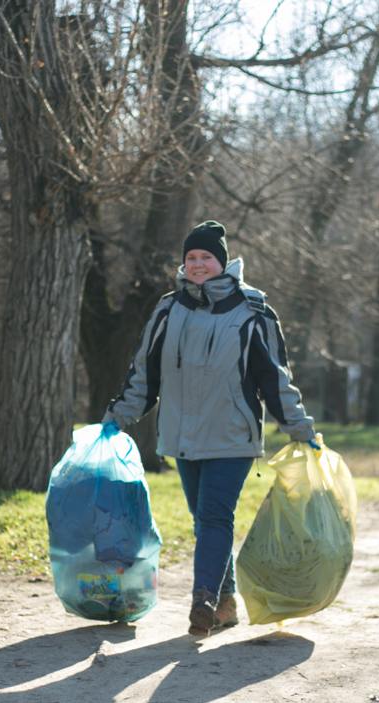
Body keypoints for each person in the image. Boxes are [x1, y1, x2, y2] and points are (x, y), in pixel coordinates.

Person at [104, 221, 318, 636]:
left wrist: (299, 427)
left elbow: (275, 379)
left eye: (206, 257)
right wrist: (118, 416)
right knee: (203, 520)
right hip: (183, 436)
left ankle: (201, 599)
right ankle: (224, 602)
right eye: (191, 258)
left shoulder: (253, 312)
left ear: (222, 262)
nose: (198, 265)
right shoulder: (168, 309)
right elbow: (145, 372)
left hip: (231, 436)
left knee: (215, 516)